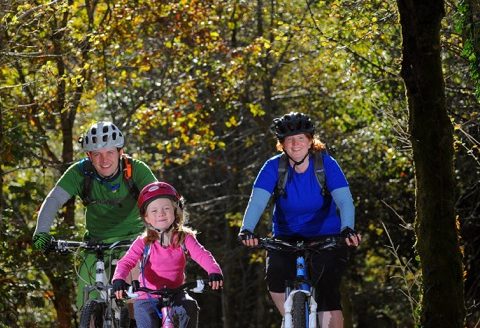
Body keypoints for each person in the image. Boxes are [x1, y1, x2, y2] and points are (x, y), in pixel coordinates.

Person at [238, 112, 361, 328]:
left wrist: (348, 228)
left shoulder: (326, 165)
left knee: (327, 293)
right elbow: (257, 202)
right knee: (275, 274)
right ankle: (291, 318)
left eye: (301, 138)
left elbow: (344, 201)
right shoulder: (273, 167)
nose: (295, 144)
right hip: (286, 236)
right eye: (289, 140)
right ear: (282, 144)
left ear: (311, 140)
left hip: (326, 235)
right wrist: (246, 229)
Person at [32, 121, 158, 308]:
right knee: (87, 302)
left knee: (136, 299)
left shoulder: (137, 170)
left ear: (120, 152)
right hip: (95, 244)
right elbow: (54, 200)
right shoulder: (79, 173)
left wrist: (164, 232)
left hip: (133, 241)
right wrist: (41, 232)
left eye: (109, 152)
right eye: (97, 154)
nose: (104, 160)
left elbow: (160, 200)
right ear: (88, 155)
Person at [112, 181, 223, 328]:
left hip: (176, 294)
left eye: (166, 208)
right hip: (147, 296)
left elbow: (202, 254)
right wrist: (118, 279)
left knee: (189, 307)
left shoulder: (185, 238)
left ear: (176, 211)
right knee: (145, 318)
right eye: (154, 211)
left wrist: (214, 271)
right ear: (146, 217)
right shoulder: (143, 242)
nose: (161, 214)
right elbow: (126, 262)